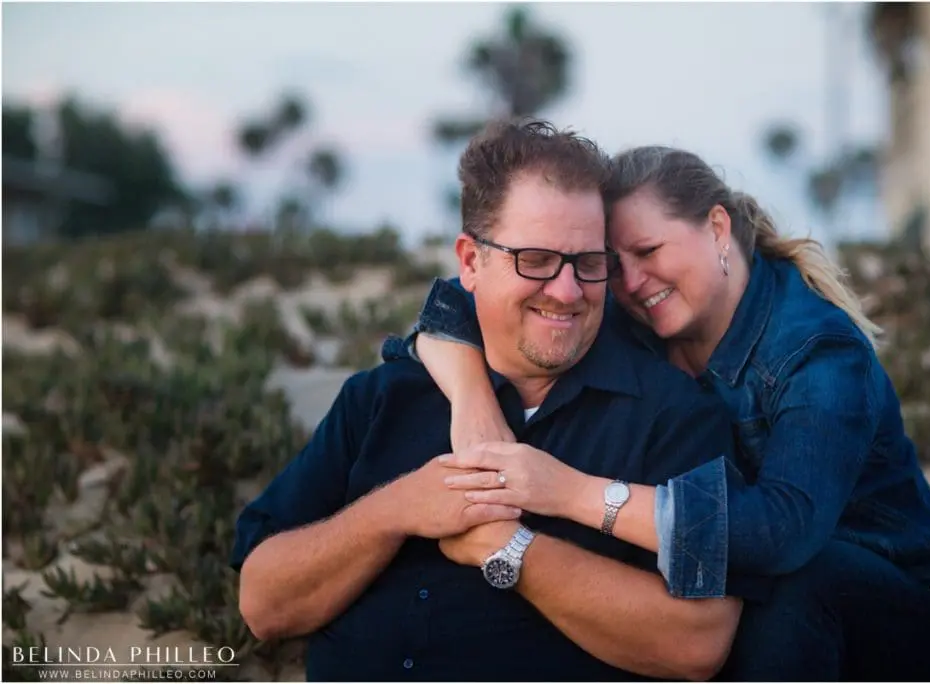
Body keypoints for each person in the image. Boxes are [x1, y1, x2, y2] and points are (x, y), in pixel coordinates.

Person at [382, 143, 930, 680]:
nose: (630, 282)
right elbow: (458, 306)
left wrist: (570, 493)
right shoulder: (637, 315)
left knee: (784, 585)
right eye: (612, 263)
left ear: (715, 228)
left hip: (917, 612)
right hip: (781, 617)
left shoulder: (818, 351)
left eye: (649, 250)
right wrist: (470, 397)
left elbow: (781, 532)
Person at [231, 121, 770, 682]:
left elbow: (698, 642)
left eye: (588, 263)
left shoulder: (675, 417)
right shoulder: (382, 398)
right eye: (534, 260)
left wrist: (513, 551)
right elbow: (263, 604)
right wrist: (395, 511)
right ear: (469, 262)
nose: (565, 292)